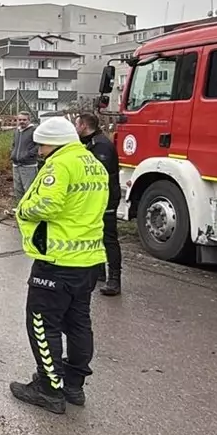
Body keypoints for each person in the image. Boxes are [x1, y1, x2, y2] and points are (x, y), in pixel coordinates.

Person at [10, 116, 108, 414]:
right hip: (88, 260)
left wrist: (23, 209)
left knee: (42, 323)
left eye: (41, 144)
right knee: (79, 323)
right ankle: (74, 386)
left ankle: (48, 388)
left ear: (54, 142)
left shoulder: (60, 164)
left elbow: (47, 204)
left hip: (57, 260)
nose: (39, 150)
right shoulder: (94, 164)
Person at [77, 113, 123, 297]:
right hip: (96, 199)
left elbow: (97, 174)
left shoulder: (101, 145)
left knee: (109, 238)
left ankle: (114, 279)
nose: (75, 129)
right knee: (95, 234)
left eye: (76, 125)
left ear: (84, 126)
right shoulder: (90, 143)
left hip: (107, 199)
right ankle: (99, 273)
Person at [11, 112, 39, 205]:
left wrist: (28, 154)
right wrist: (12, 154)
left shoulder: (34, 130)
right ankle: (19, 208)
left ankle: (29, 209)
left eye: (24, 120)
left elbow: (38, 145)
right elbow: (14, 144)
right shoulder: (17, 131)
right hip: (16, 164)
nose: (22, 122)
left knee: (28, 189)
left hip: (28, 165)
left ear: (29, 120)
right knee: (17, 189)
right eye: (20, 120)